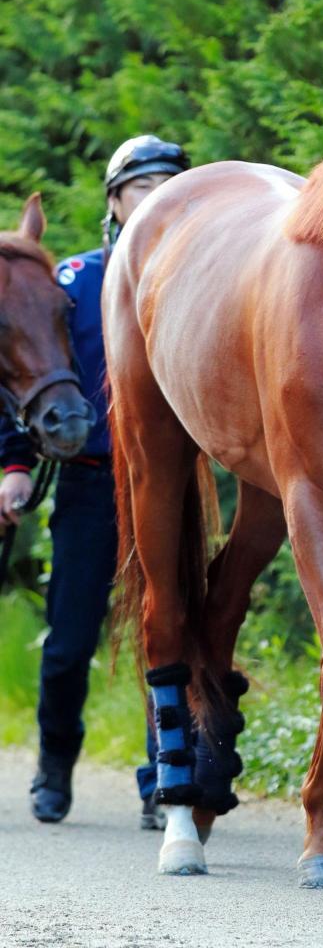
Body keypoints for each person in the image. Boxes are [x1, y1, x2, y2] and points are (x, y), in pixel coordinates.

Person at [0, 135, 190, 826]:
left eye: (171, 185)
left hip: (169, 488)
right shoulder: (73, 283)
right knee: (71, 642)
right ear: (114, 201)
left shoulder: (199, 285)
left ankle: (160, 781)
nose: (157, 198)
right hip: (87, 487)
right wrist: (16, 464)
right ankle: (54, 762)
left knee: (166, 635)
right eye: (143, 186)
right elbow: (26, 371)